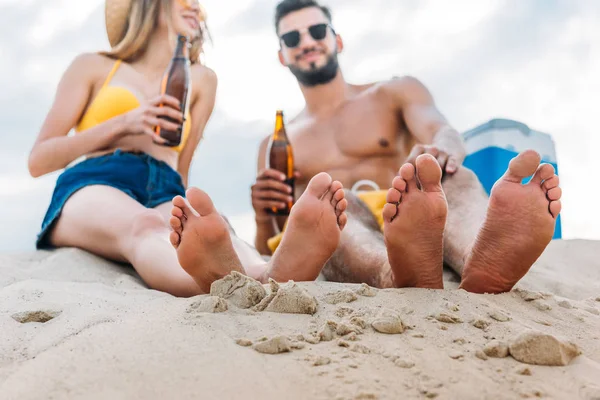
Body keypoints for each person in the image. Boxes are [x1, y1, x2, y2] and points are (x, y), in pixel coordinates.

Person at [29, 0, 348, 297]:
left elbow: (181, 169)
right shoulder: (93, 66)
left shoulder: (201, 80)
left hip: (164, 185)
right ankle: (215, 284)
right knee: (145, 226)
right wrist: (124, 122)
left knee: (216, 229)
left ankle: (267, 274)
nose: (196, 5)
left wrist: (192, 216)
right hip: (97, 179)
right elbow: (39, 160)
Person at [251, 0, 563, 294]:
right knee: (332, 210)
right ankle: (395, 272)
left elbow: (442, 131)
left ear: (338, 41)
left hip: (417, 214)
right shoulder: (276, 142)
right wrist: (263, 215)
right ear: (282, 55)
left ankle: (482, 256)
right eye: (292, 38)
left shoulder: (394, 92)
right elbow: (270, 245)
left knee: (449, 174)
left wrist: (444, 152)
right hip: (348, 230)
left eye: (317, 31)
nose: (306, 43)